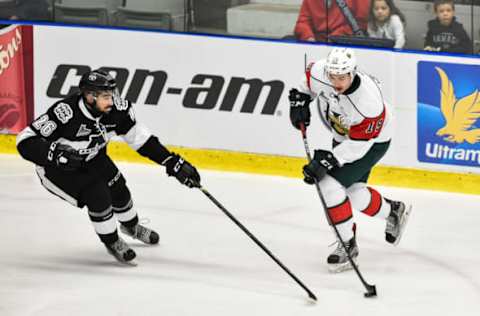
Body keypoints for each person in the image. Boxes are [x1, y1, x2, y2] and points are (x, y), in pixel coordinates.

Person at [16, 70, 201, 264]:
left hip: (94, 157)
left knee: (119, 189)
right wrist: (55, 154)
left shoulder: (117, 111)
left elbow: (142, 140)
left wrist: (172, 162)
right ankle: (112, 241)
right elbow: (25, 141)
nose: (111, 101)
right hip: (58, 169)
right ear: (89, 96)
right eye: (106, 96)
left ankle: (131, 227)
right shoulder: (65, 113)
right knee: (98, 195)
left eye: (112, 94)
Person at [288, 47, 411, 272]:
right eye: (332, 76)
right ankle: (392, 211)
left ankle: (348, 245)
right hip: (344, 135)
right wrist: (299, 102)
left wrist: (328, 160)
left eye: (342, 77)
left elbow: (358, 146)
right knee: (353, 193)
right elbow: (305, 85)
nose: (336, 82)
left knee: (327, 185)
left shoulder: (368, 102)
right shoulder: (320, 72)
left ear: (352, 72)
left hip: (371, 142)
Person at [294, 0, 370, 42]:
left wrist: (336, 37)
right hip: (316, 43)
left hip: (344, 44)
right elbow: (302, 23)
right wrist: (309, 37)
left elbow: (361, 23)